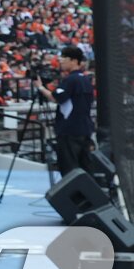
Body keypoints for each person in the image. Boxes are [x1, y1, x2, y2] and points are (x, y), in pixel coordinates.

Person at [39, 45, 95, 175]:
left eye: (64, 58)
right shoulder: (85, 79)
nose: (61, 61)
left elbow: (56, 98)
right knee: (85, 168)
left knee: (69, 169)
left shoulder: (71, 79)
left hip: (69, 130)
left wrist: (40, 87)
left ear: (74, 61)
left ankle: (74, 189)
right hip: (84, 128)